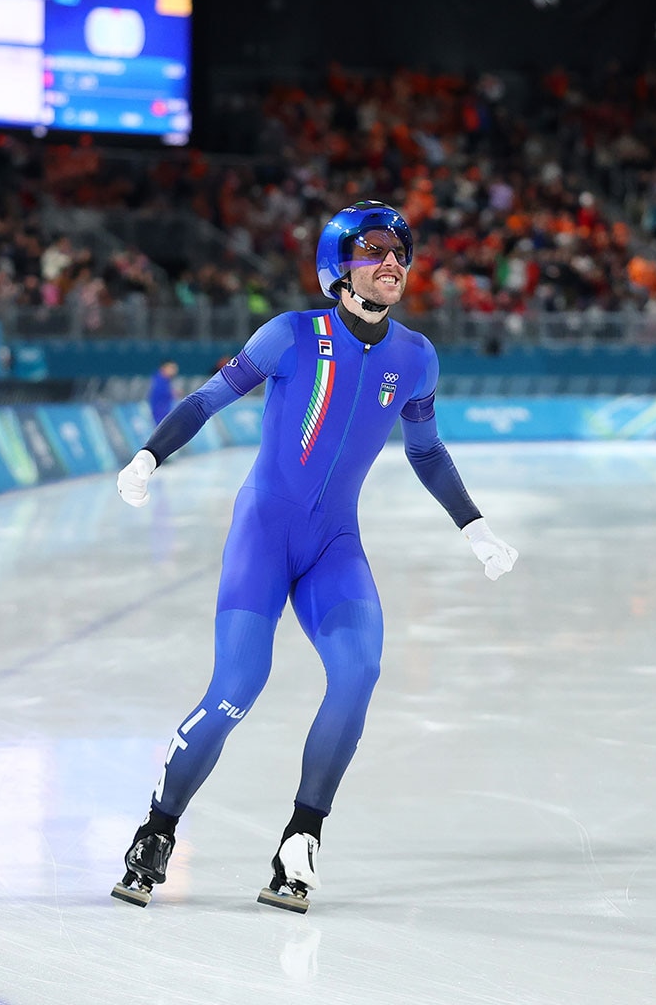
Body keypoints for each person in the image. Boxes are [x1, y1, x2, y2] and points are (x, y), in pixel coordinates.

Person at [108, 202, 518, 912]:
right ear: (340, 268)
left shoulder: (415, 358)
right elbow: (208, 399)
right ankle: (159, 827)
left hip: (335, 544)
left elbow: (426, 451)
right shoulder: (291, 334)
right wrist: (149, 455)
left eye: (401, 252)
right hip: (264, 535)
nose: (392, 263)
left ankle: (302, 835)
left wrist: (473, 527)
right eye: (374, 252)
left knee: (358, 672)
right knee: (238, 687)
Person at [149, 359, 179, 424]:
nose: (175, 370)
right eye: (172, 368)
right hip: (160, 416)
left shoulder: (166, 381)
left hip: (165, 415)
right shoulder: (158, 382)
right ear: (163, 368)